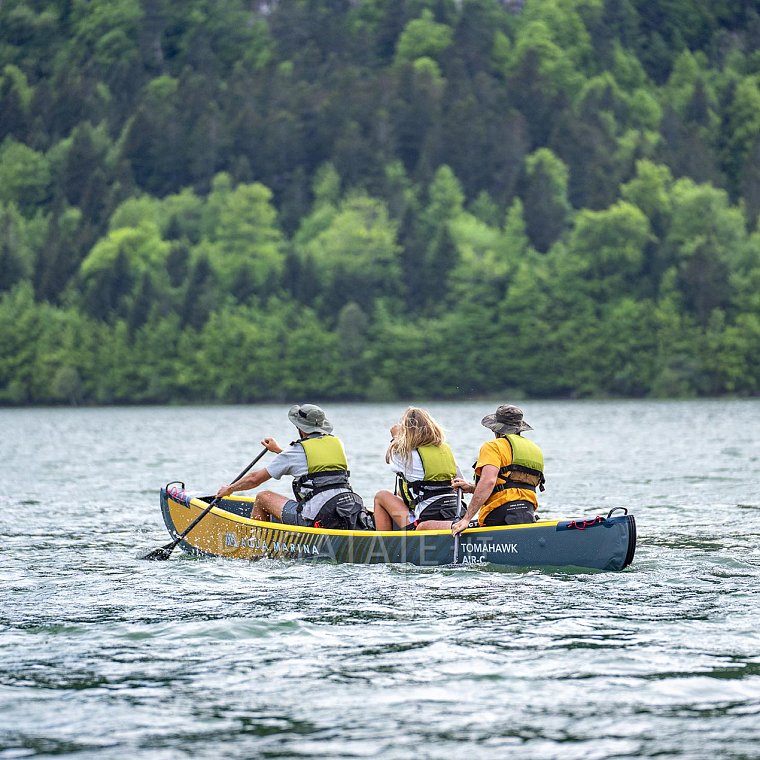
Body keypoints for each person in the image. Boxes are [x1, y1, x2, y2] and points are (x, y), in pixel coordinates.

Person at [215, 403, 365, 529]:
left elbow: (254, 479)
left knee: (262, 497)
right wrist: (280, 452)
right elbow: (313, 467)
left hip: (317, 516)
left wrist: (229, 489)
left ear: (301, 428)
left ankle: (255, 551)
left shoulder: (295, 451)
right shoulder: (337, 444)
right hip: (346, 509)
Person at [451, 404, 545, 536]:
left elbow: (489, 482)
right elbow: (513, 486)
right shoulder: (535, 449)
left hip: (499, 514)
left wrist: (466, 519)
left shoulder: (493, 446)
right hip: (527, 512)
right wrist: (472, 488)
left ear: (496, 429)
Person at [373, 407, 464, 531]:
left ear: (407, 431)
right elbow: (460, 481)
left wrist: (395, 437)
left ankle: (384, 544)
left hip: (429, 516)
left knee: (381, 496)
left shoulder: (408, 455)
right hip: (456, 509)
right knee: (402, 494)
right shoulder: (445, 451)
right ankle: (459, 523)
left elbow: (389, 458)